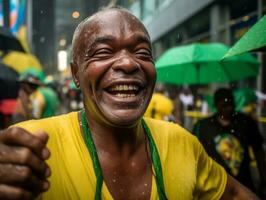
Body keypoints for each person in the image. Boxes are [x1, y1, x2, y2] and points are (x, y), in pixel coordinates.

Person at [0, 6, 261, 200]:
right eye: (103, 52)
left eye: (142, 53)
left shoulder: (181, 143)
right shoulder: (33, 145)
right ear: (75, 74)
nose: (128, 63)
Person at [193, 88, 266, 198]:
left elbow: (259, 152)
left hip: (244, 186)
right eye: (224, 105)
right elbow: (194, 156)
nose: (229, 108)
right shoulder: (203, 126)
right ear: (216, 105)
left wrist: (264, 180)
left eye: (231, 104)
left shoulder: (245, 122)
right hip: (215, 188)